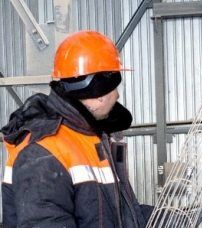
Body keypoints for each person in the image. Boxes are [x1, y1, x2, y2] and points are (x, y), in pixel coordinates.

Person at [1, 30, 153, 227]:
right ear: (99, 94)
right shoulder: (42, 153)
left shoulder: (91, 139)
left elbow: (119, 214)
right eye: (115, 88)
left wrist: (169, 217)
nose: (117, 96)